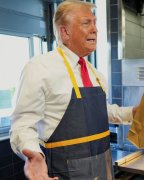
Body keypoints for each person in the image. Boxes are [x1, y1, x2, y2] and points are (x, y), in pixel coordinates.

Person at [10, 1, 136, 179]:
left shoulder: (95, 73)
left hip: (103, 168)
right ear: (65, 32)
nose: (95, 29)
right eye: (86, 23)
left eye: (95, 23)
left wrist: (133, 113)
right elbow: (22, 124)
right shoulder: (39, 68)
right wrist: (34, 154)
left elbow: (101, 111)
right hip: (64, 172)